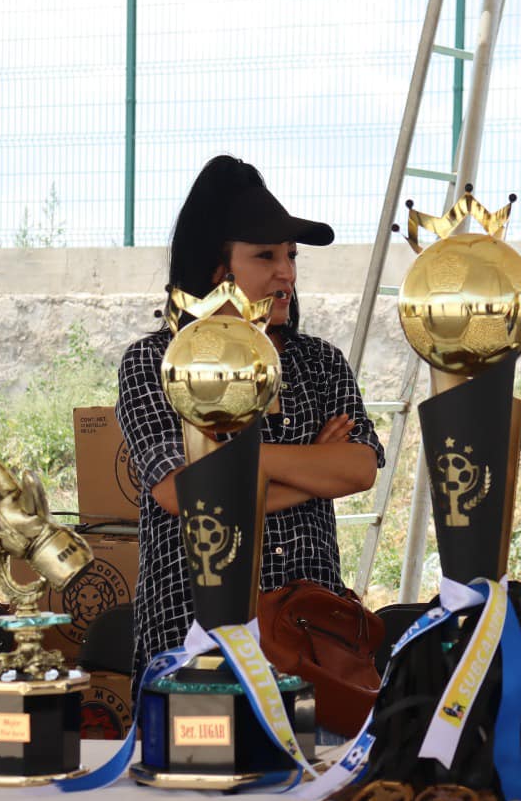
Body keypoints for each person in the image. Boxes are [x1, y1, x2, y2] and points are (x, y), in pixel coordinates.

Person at [117, 156, 384, 700]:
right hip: (192, 639)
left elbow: (358, 469)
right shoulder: (154, 363)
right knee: (195, 781)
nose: (285, 271)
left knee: (310, 782)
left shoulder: (320, 362)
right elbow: (179, 494)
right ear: (217, 270)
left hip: (309, 639)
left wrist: (230, 462)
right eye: (265, 256)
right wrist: (309, 467)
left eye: (290, 256)